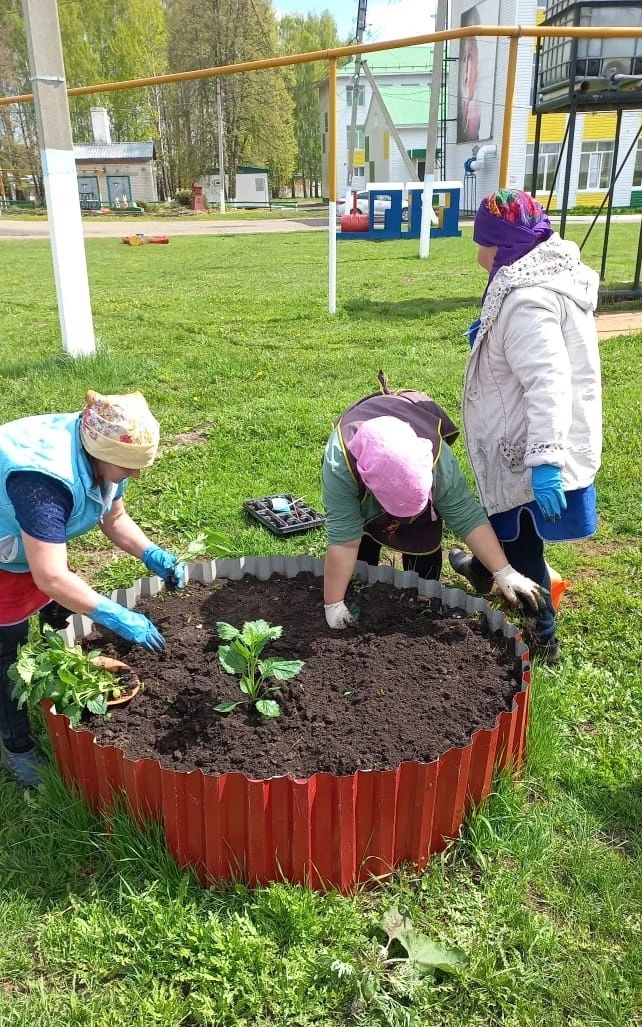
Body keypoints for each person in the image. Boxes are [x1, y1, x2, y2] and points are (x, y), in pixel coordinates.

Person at [0, 390, 187, 787]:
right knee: (6, 652)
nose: (135, 477)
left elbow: (113, 517)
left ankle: (44, 651)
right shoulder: (43, 482)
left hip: (22, 544)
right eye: (128, 468)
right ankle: (16, 747)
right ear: (99, 452)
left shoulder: (104, 445)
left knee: (53, 594)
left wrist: (152, 553)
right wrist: (113, 614)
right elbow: (49, 576)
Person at [449, 189, 602, 664]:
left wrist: (544, 462)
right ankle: (483, 567)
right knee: (513, 529)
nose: (479, 254)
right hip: (531, 432)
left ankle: (543, 640)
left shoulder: (526, 301)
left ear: (501, 247)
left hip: (528, 445)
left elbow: (547, 382)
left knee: (525, 544)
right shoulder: (549, 275)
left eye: (483, 243)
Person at [321, 379, 546, 629]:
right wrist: (333, 604)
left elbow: (467, 516)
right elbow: (344, 540)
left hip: (414, 474)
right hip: (364, 479)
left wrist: (504, 572)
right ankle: (357, 588)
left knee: (423, 537)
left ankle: (420, 600)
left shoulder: (437, 461)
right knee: (362, 541)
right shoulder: (339, 466)